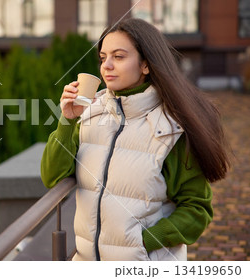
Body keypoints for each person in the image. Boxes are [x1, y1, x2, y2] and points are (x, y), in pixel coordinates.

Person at [40, 18, 231, 261]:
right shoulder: (89, 115)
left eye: (118, 57)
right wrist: (67, 120)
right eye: (103, 57)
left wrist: (143, 242)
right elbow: (51, 176)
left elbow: (197, 210)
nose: (106, 66)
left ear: (145, 65)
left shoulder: (171, 129)